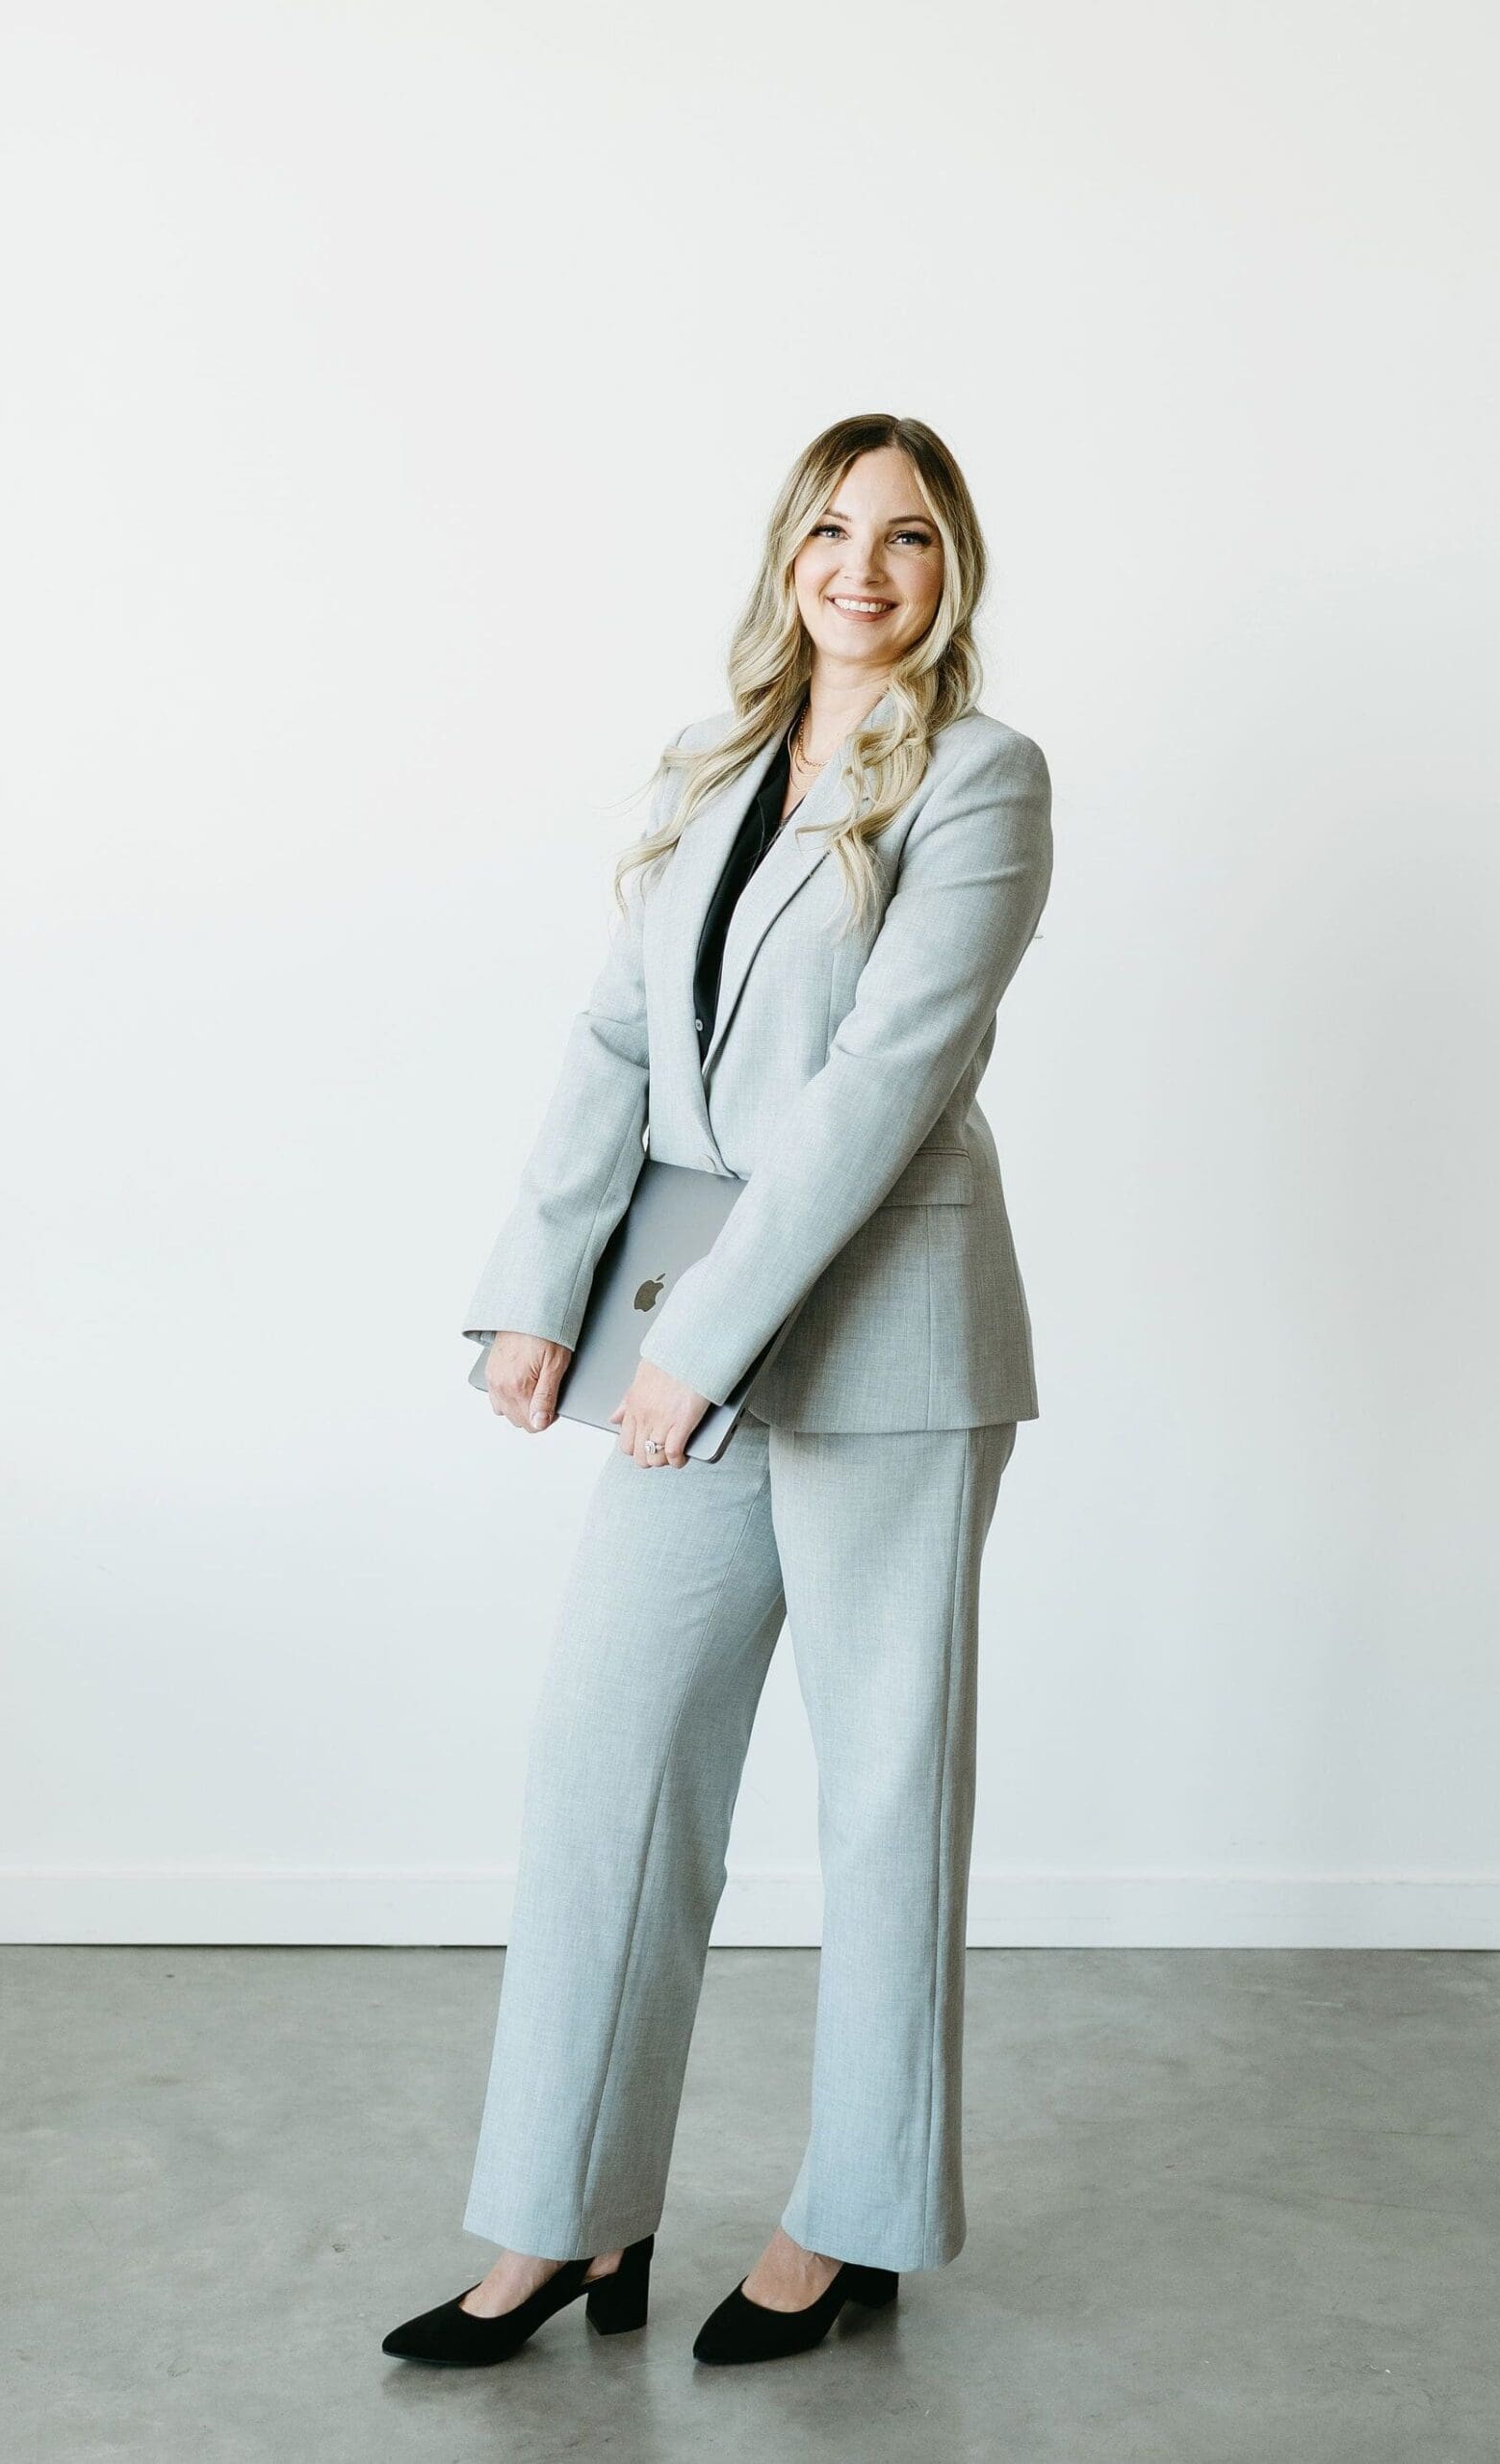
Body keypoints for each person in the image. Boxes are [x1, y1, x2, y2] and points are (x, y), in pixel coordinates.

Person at [383, 413, 1053, 2371]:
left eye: (908, 536)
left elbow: (879, 1089)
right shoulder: (706, 771)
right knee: (605, 1760)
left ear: (952, 574)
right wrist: (546, 1292)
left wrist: (691, 1349)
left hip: (893, 1351)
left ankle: (855, 2222)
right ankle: (561, 2218)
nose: (863, 565)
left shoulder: (985, 783)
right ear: (786, 558)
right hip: (687, 1334)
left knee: (881, 1796)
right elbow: (614, 1040)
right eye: (832, 529)